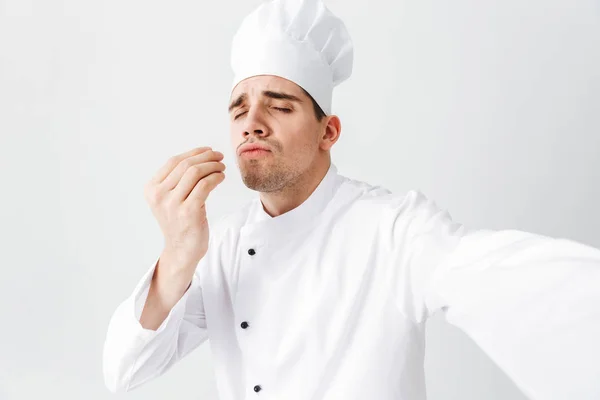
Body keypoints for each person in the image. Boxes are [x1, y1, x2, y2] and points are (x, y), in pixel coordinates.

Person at [102, 0, 600, 399]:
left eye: (279, 105)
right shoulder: (223, 246)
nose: (252, 120)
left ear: (328, 131)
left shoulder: (393, 228)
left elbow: (495, 275)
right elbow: (124, 371)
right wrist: (177, 254)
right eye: (239, 109)